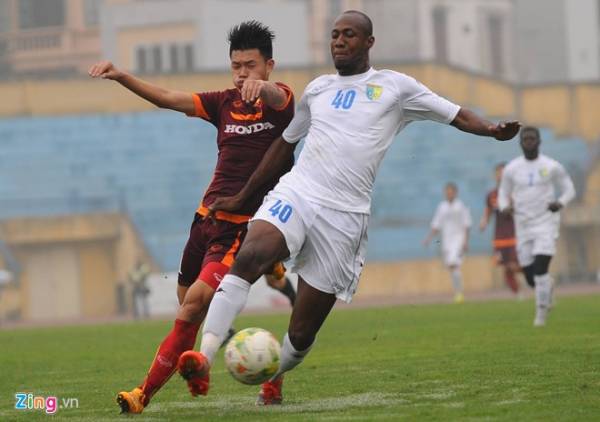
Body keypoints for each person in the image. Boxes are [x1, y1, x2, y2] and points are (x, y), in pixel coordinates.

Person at [176, 10, 520, 405]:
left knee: (302, 333)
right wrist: (241, 199)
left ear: (368, 42)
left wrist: (492, 131)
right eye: (334, 35)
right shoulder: (318, 90)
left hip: (344, 217)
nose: (339, 41)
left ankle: (276, 374)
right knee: (250, 254)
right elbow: (285, 145)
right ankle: (203, 357)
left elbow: (455, 114)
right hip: (299, 193)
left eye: (349, 35)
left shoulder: (396, 87)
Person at [89, 21, 296, 413]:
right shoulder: (223, 103)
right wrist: (121, 77)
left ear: (269, 65)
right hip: (204, 221)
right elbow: (168, 97)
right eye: (236, 66)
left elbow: (281, 97)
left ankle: (142, 395)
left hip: (243, 228)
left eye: (250, 66)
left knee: (193, 304)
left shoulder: (279, 100)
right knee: (189, 308)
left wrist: (262, 88)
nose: (242, 75)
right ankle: (269, 372)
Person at [498, 126, 575, 326]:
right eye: (526, 138)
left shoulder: (552, 166)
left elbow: (569, 190)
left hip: (546, 224)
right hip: (522, 225)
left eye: (533, 138)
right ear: (520, 142)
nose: (529, 141)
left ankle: (540, 316)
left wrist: (560, 203)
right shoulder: (512, 168)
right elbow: (502, 193)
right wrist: (505, 206)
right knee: (532, 279)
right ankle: (547, 287)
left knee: (541, 269)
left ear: (539, 141)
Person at [423, 183, 472, 303]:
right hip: (446, 241)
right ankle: (458, 292)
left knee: (453, 263)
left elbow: (466, 224)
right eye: (447, 191)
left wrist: (465, 241)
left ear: (455, 192)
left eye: (451, 191)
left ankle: (459, 294)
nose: (449, 194)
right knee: (451, 267)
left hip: (458, 240)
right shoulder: (442, 207)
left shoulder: (460, 206)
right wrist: (428, 238)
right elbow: (436, 224)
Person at [480, 163, 521, 297]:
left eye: (503, 173)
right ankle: (517, 293)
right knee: (505, 266)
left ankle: (533, 274)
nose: (500, 175)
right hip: (499, 237)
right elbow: (488, 210)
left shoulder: (514, 192)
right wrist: (484, 222)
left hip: (514, 234)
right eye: (498, 173)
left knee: (513, 265)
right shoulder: (491, 195)